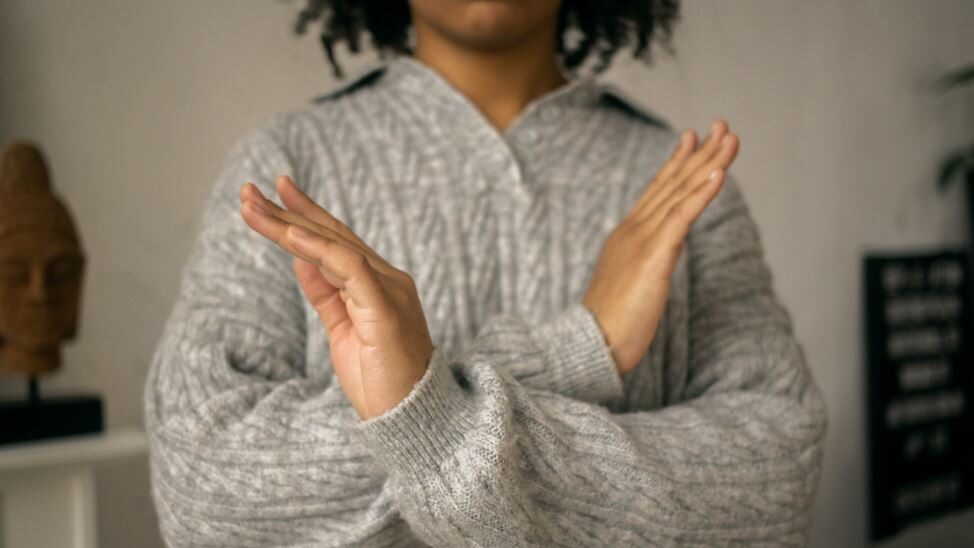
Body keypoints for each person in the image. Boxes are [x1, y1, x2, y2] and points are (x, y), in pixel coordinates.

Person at [145, 1, 828, 546]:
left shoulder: (681, 184)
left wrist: (426, 415)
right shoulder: (287, 164)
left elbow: (775, 478)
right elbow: (201, 480)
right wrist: (574, 351)